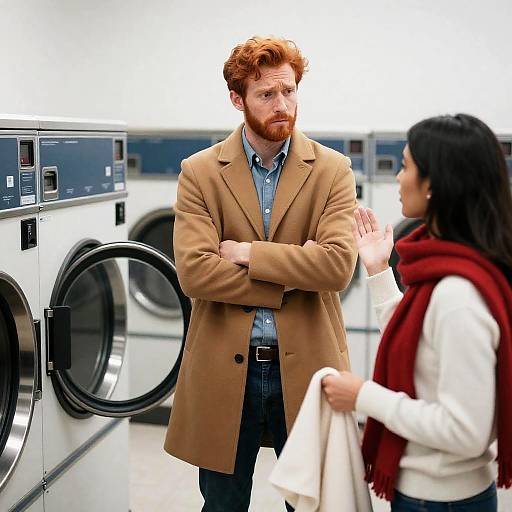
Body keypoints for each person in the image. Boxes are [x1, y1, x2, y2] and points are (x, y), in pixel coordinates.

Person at [164, 36, 358, 511]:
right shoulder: (201, 172)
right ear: (238, 99)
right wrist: (296, 269)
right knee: (223, 505)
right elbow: (194, 273)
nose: (282, 105)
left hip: (310, 367)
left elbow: (335, 266)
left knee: (315, 504)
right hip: (227, 370)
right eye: (266, 94)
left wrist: (251, 252)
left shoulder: (332, 170)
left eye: (289, 91)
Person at [322, 113, 512, 511]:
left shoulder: (458, 294)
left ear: (434, 185)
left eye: (406, 166)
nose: (397, 177)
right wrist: (377, 269)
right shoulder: (448, 267)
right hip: (433, 493)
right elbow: (420, 349)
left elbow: (466, 432)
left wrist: (364, 396)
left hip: (441, 501)